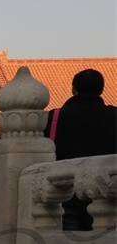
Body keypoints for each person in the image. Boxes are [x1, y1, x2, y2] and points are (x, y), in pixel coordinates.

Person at [47, 68, 117, 229]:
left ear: (73, 89)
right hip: (105, 194)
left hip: (65, 194)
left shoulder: (54, 118)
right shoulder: (114, 117)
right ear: (101, 90)